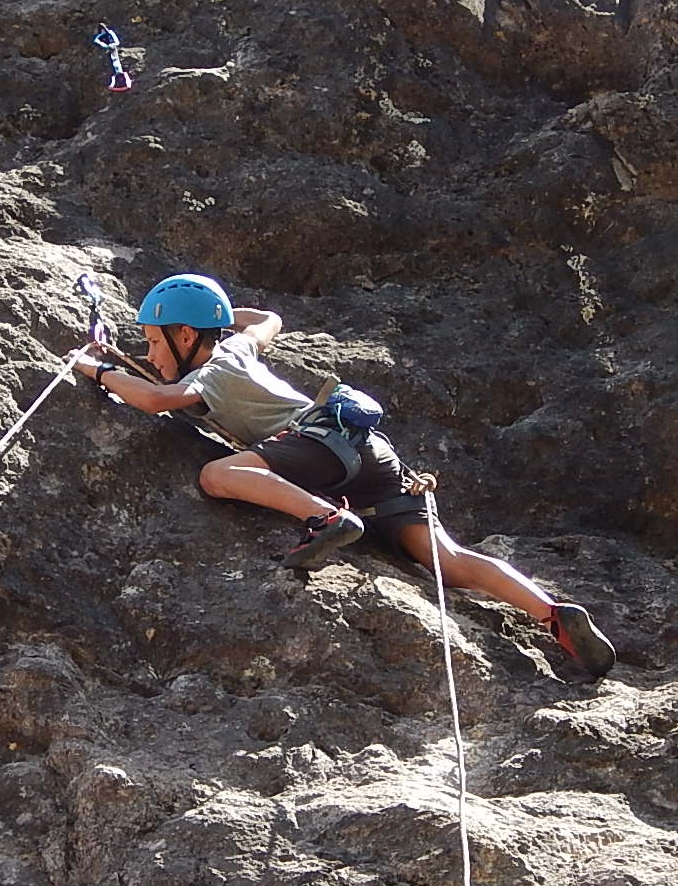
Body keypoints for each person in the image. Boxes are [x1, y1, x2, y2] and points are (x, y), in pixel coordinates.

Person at [76, 273, 618, 679]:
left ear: (188, 337)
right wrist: (215, 317)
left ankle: (324, 520)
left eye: (153, 341)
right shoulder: (236, 348)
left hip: (316, 446)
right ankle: (550, 612)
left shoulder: (214, 373)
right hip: (373, 456)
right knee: (448, 561)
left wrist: (95, 369)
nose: (148, 351)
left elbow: (157, 399)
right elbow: (266, 319)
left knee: (218, 475)